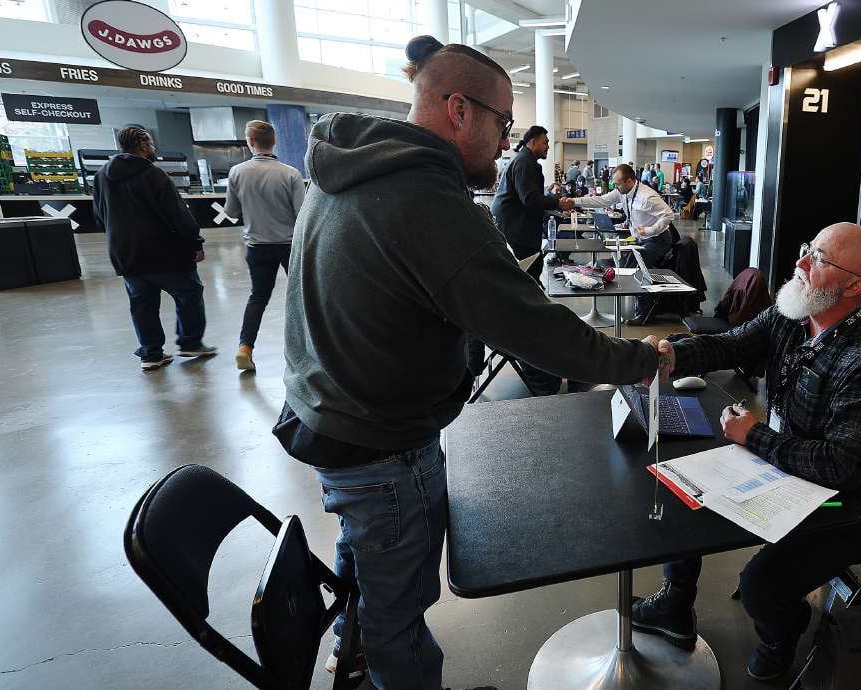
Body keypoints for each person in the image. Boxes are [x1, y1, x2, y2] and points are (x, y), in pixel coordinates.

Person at [274, 34, 671, 690]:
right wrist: (638, 361)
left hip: (328, 413)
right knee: (398, 615)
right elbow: (534, 327)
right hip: (381, 443)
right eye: (503, 123)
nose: (506, 142)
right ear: (459, 110)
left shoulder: (348, 168)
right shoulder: (425, 200)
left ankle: (352, 654)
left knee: (366, 565)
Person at [630, 223, 861, 683]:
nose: (800, 263)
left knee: (761, 585)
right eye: (808, 249)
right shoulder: (794, 316)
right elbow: (731, 343)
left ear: (854, 287)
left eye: (819, 259)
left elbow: (844, 465)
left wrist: (755, 436)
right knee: (684, 491)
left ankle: (784, 632)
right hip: (790, 471)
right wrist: (670, 356)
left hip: (847, 504)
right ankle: (675, 603)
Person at [92, 126, 217, 370]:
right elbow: (177, 214)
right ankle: (190, 342)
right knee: (189, 293)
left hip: (126, 255)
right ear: (142, 144)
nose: (153, 147)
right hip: (165, 253)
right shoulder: (153, 174)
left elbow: (99, 216)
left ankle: (151, 354)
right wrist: (195, 242)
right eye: (150, 142)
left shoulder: (102, 176)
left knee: (142, 305)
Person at [223, 120, 306, 372]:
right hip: (289, 246)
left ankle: (245, 348)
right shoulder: (291, 173)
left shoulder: (237, 172)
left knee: (258, 297)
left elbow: (231, 211)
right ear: (274, 141)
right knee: (302, 296)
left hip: (257, 246)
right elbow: (302, 214)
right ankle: (308, 349)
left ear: (250, 142)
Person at [572, 163, 675, 323]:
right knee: (628, 266)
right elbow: (602, 200)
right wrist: (574, 202)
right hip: (641, 238)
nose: (615, 187)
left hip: (658, 239)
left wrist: (649, 230)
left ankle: (645, 314)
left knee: (636, 268)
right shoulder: (623, 192)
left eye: (618, 183)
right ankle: (642, 307)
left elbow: (668, 214)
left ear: (629, 181)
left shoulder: (647, 196)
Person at [492, 124, 561, 279]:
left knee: (534, 266)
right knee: (530, 271)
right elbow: (530, 198)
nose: (548, 147)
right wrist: (557, 203)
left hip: (517, 225)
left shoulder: (526, 160)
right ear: (533, 142)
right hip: (516, 229)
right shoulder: (524, 162)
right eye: (545, 142)